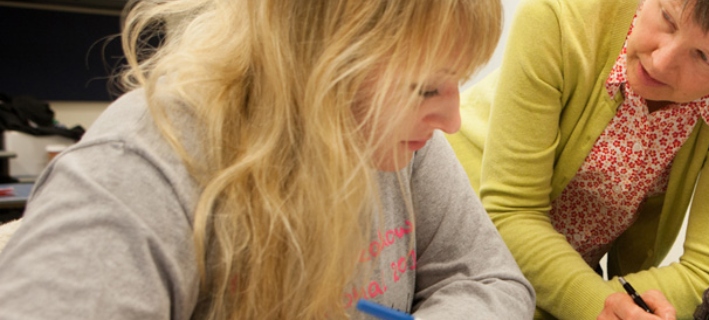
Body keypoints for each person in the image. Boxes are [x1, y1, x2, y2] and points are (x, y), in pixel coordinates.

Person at [0, 0, 535, 319]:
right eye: (424, 90)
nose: (453, 122)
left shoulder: (391, 142)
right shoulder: (138, 170)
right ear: (318, 60)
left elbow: (493, 282)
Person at [447, 0, 709, 318]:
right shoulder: (560, 20)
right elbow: (512, 213)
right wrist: (600, 304)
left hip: (565, 281)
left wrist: (610, 304)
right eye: (667, 18)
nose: (661, 62)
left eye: (704, 57)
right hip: (450, 245)